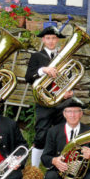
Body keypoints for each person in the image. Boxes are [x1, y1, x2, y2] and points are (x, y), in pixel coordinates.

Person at [25, 26, 72, 168]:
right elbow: (28, 77)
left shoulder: (63, 57)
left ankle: (57, 164)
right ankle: (34, 168)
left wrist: (68, 91)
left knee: (60, 132)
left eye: (53, 38)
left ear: (57, 40)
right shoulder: (37, 56)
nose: (51, 41)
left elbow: (69, 78)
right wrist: (43, 70)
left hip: (61, 101)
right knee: (41, 133)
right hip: (44, 101)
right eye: (48, 38)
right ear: (43, 40)